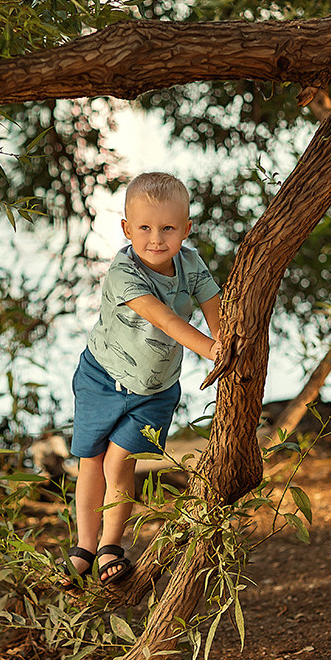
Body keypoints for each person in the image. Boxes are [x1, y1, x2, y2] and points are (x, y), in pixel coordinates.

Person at [61, 172, 221, 587]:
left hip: (154, 391)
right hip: (101, 379)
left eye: (168, 228)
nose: (156, 238)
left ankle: (111, 545)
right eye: (145, 228)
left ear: (186, 229)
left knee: (120, 461)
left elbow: (214, 306)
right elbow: (165, 319)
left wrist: (225, 342)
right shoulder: (123, 273)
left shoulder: (191, 263)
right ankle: (84, 546)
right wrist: (211, 350)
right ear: (126, 228)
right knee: (92, 460)